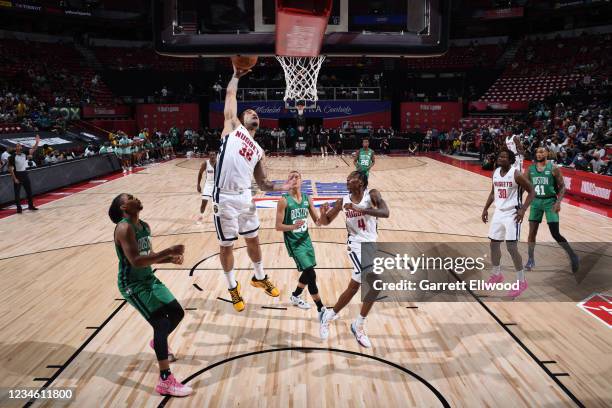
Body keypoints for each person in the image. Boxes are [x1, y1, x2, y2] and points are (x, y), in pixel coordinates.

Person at [214, 64, 294, 312]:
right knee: (227, 245)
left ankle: (259, 277)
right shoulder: (232, 128)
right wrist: (235, 77)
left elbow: (264, 184)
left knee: (254, 240)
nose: (252, 113)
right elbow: (230, 97)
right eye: (248, 112)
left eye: (255, 113)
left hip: (246, 197)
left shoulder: (259, 150)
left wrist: (286, 185)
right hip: (225, 197)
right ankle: (232, 286)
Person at [108, 193, 192, 397]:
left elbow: (148, 258)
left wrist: (168, 259)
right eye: (129, 199)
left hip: (148, 279)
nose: (135, 198)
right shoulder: (124, 227)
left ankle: (159, 341)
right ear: (123, 208)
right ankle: (165, 379)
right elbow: (136, 260)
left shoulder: (144, 226)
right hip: (133, 285)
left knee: (177, 313)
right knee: (161, 324)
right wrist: (169, 250)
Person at [318, 171, 390, 347]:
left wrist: (361, 209)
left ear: (362, 183)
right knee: (374, 284)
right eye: (347, 178)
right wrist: (323, 213)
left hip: (371, 244)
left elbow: (385, 212)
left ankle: (329, 316)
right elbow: (325, 221)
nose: (347, 180)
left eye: (352, 178)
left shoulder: (372, 194)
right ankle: (358, 326)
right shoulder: (342, 201)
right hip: (355, 245)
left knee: (353, 287)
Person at [275, 170, 329, 336]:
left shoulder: (307, 198)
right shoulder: (284, 201)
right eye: (291, 177)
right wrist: (293, 226)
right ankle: (321, 309)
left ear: (302, 180)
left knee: (308, 272)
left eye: (297, 176)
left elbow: (318, 223)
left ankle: (295, 296)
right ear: (288, 181)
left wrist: (323, 213)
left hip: (306, 240)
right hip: (294, 243)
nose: (294, 179)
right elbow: (278, 226)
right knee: (311, 274)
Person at [481, 150, 535, 299]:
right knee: (494, 244)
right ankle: (497, 275)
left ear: (511, 160)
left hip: (513, 213)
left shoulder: (516, 174)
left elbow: (532, 191)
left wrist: (523, 210)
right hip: (499, 212)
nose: (500, 158)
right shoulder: (496, 172)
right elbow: (493, 192)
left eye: (504, 156)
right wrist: (485, 208)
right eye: (499, 156)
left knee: (511, 247)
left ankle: (521, 281)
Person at [525, 147, 579, 273]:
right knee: (532, 233)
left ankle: (572, 255)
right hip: (536, 202)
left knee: (555, 233)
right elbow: (523, 184)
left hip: (550, 202)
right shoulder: (530, 169)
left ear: (547, 153)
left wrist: (558, 202)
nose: (539, 154)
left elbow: (562, 187)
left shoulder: (553, 168)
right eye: (537, 152)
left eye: (542, 152)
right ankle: (530, 259)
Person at [8, 135, 40, 213]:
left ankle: (31, 206)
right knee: (17, 193)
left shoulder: (24, 154)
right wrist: (14, 178)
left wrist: (37, 142)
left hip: (24, 174)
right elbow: (10, 168)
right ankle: (19, 209)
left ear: (21, 148)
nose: (19, 147)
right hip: (17, 175)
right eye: (17, 146)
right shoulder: (12, 156)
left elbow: (33, 149)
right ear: (16, 148)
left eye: (20, 146)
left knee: (29, 191)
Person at [196, 151, 217, 223]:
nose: (212, 156)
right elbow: (200, 173)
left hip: (216, 185)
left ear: (216, 155)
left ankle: (217, 218)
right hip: (208, 185)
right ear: (209, 156)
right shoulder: (205, 163)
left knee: (216, 203)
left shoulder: (219, 163)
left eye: (214, 154)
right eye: (211, 155)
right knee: (204, 202)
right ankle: (200, 216)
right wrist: (198, 184)